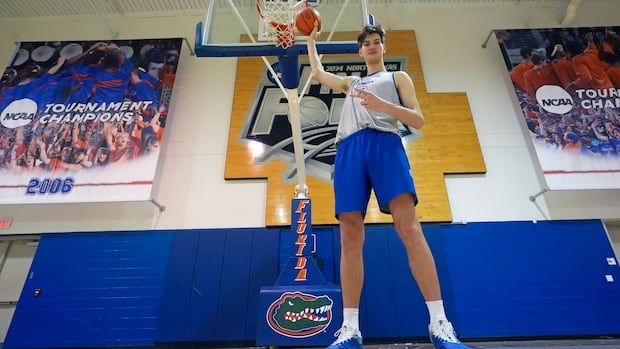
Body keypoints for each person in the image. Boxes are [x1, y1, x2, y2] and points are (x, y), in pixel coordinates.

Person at [306, 23, 470, 349]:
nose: (371, 46)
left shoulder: (397, 78)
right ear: (359, 50)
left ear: (383, 47)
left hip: (386, 145)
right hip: (350, 150)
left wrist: (384, 107)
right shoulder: (351, 82)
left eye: (376, 42)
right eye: (366, 43)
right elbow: (317, 72)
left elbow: (418, 119)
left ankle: (440, 324)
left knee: (409, 228)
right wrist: (310, 38)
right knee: (350, 237)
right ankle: (350, 330)